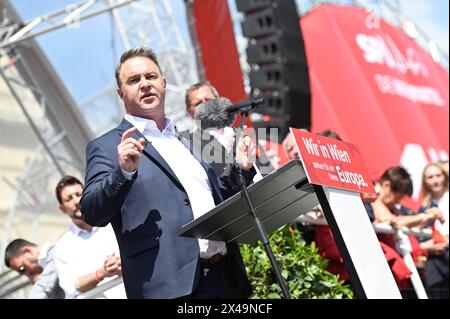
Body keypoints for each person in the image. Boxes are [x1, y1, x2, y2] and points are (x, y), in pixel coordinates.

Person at [80, 47, 256, 299]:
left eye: (150, 77)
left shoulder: (192, 140)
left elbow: (221, 199)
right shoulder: (107, 146)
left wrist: (242, 168)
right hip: (170, 288)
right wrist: (122, 172)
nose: (144, 84)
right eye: (134, 80)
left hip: (226, 275)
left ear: (164, 82)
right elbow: (91, 212)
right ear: (121, 93)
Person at [53, 175, 126, 299]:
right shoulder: (62, 248)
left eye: (78, 194)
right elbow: (71, 288)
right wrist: (101, 273)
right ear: (62, 209)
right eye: (69, 199)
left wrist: (125, 263)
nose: (76, 201)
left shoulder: (115, 219)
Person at [186, 81, 274, 178]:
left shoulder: (242, 133)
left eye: (208, 99)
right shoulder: (192, 145)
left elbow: (269, 172)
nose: (205, 105)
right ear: (190, 112)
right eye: (198, 103)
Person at [417, 163, 449, 298]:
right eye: (430, 177)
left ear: (445, 177)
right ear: (425, 182)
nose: (435, 180)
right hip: (435, 262)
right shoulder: (424, 208)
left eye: (438, 175)